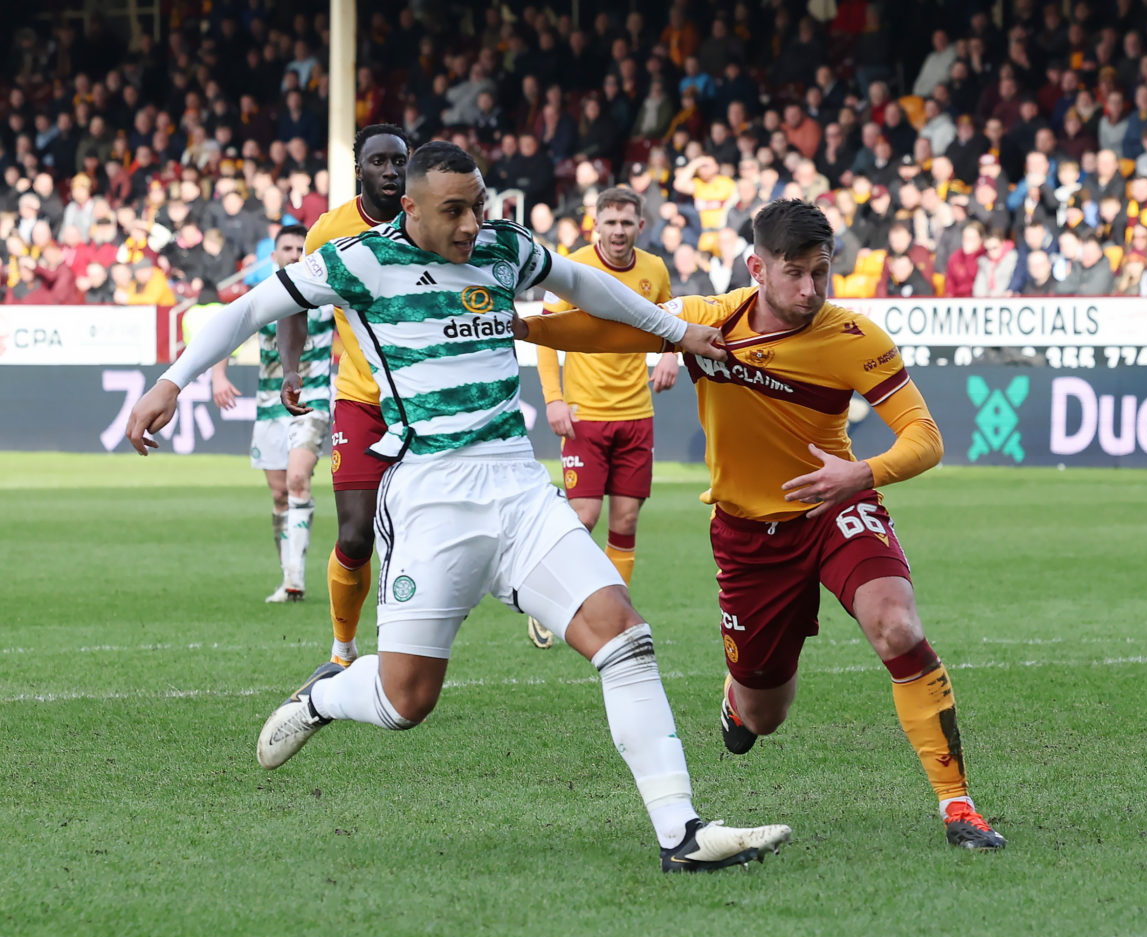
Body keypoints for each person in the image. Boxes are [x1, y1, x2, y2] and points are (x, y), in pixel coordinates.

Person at [124, 141, 791, 874]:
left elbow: (582, 283)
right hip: (431, 496)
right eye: (454, 210)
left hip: (518, 486)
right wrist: (172, 380)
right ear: (409, 208)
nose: (473, 222)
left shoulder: (504, 245)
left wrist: (676, 330)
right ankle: (323, 699)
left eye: (478, 204)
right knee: (407, 699)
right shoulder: (361, 261)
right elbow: (249, 306)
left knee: (624, 636)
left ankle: (681, 834)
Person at [527, 199, 1006, 851]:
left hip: (836, 508)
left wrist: (859, 474)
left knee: (897, 626)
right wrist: (517, 330)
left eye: (821, 272)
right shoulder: (705, 321)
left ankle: (959, 806)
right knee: (763, 714)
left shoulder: (853, 339)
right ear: (757, 266)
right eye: (794, 273)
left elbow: (925, 436)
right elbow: (604, 332)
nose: (810, 289)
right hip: (749, 536)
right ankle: (738, 696)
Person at [276, 125, 410, 667]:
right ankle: (343, 650)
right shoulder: (329, 231)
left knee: (416, 536)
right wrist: (292, 369)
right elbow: (292, 303)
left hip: (422, 401)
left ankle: (404, 650)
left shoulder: (427, 217)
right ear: (359, 168)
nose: (390, 170)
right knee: (355, 536)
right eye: (378, 161)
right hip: (359, 400)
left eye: (399, 160)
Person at [528, 187, 679, 649]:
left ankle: (615, 613)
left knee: (627, 520)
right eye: (610, 222)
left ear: (640, 226)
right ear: (597, 224)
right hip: (584, 413)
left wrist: (671, 352)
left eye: (626, 223)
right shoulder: (572, 267)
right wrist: (553, 398)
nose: (618, 231)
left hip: (636, 412)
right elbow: (546, 337)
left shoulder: (654, 270)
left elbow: (671, 316)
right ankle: (547, 600)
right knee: (585, 514)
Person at [210, 225, 333, 602]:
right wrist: (218, 375)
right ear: (274, 255)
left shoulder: (328, 296)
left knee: (298, 480)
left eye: (302, 248)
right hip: (268, 407)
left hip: (313, 403)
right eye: (288, 248)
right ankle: (287, 577)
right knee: (280, 495)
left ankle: (295, 580)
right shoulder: (263, 297)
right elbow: (230, 330)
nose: (295, 253)